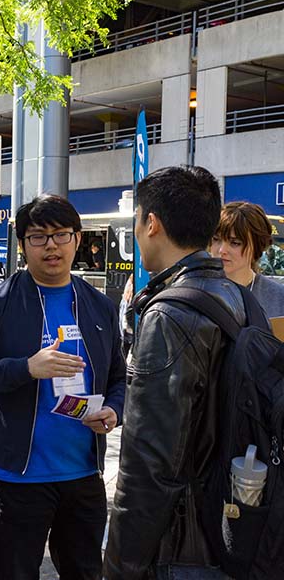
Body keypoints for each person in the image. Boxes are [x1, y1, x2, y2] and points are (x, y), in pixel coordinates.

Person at [0, 194, 126, 580]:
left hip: (83, 475)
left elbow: (117, 379)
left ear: (78, 239)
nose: (51, 246)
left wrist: (113, 410)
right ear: (23, 244)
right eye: (38, 237)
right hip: (18, 479)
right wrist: (26, 368)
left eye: (60, 235)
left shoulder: (99, 306)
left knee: (86, 572)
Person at [105, 166, 245, 580]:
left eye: (136, 222)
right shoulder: (235, 296)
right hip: (230, 525)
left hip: (179, 547)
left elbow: (149, 464)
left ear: (152, 223)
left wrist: (119, 565)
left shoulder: (169, 314)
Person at [210, 201, 284, 318]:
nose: (222, 250)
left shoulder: (278, 298)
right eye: (216, 239)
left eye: (235, 243)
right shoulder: (193, 291)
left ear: (257, 246)